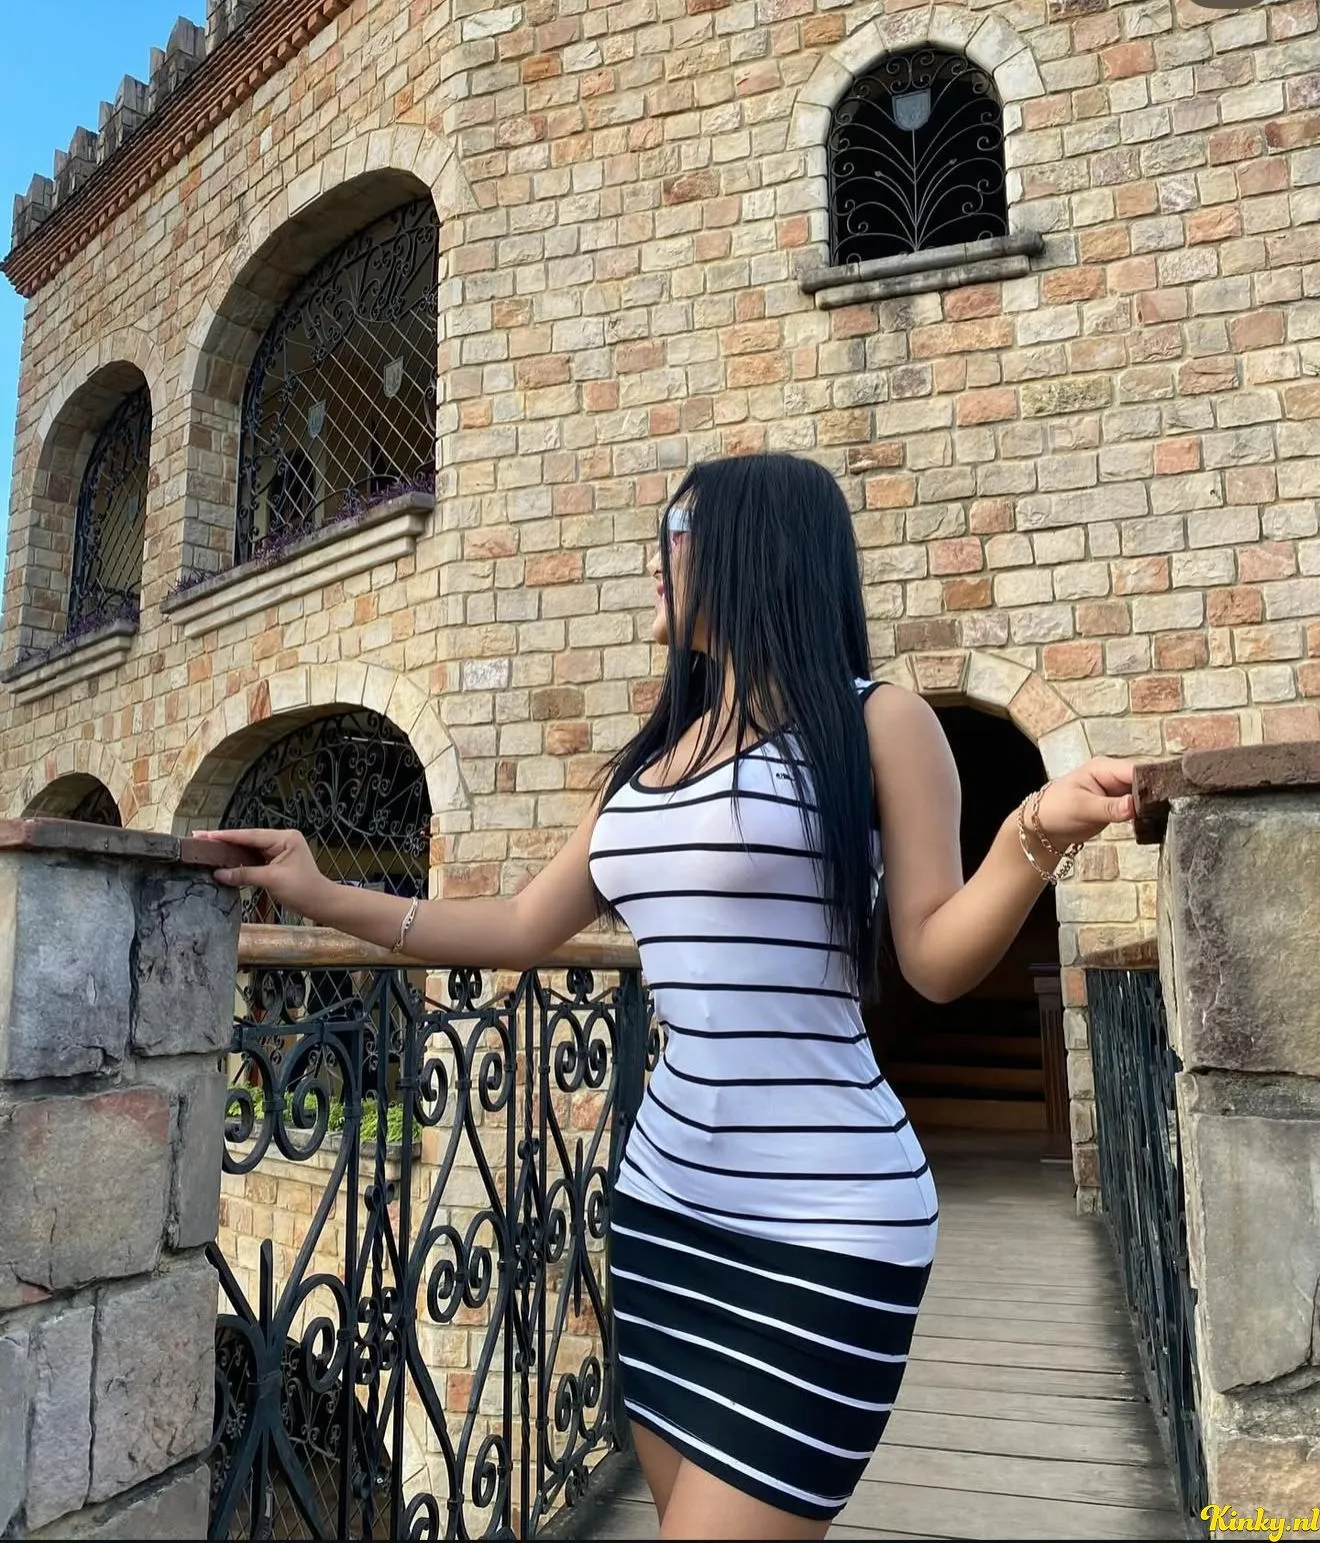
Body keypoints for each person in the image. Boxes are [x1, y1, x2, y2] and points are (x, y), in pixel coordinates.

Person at [199, 452, 1136, 1541]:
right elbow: (517, 927)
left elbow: (931, 955)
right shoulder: (647, 761)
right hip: (661, 1216)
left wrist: (1033, 833)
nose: (657, 557)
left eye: (677, 531)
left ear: (756, 546)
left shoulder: (877, 723)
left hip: (828, 1226)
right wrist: (321, 893)